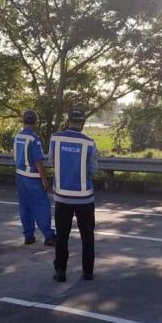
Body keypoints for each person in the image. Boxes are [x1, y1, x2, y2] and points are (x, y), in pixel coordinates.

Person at [49, 108, 98, 281]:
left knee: (62, 236)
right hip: (85, 198)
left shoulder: (56, 139)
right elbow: (94, 170)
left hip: (62, 197)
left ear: (68, 120)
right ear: (83, 122)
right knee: (87, 236)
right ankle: (88, 272)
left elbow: (51, 162)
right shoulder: (89, 143)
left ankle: (60, 270)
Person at [13, 110, 57, 246]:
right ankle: (49, 236)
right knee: (41, 206)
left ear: (23, 121)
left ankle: (28, 235)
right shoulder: (34, 139)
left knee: (25, 207)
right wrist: (44, 179)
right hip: (32, 177)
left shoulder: (18, 136)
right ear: (35, 121)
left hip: (20, 175)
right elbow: (38, 161)